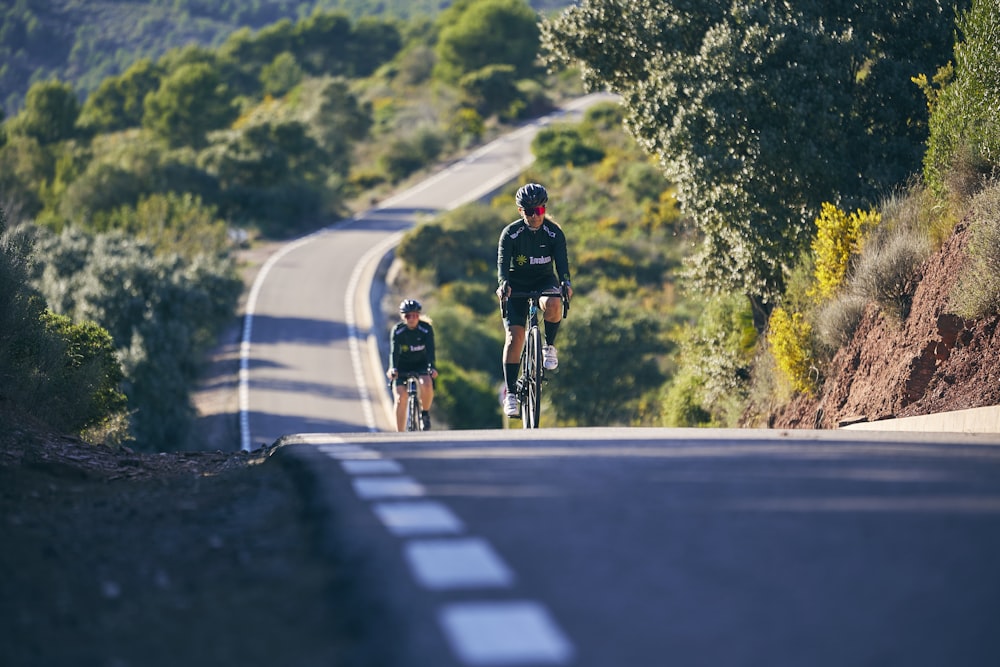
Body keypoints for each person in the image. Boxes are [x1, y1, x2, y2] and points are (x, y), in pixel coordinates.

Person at [496, 183, 573, 418]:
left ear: (544, 209)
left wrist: (566, 283)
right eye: (529, 212)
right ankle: (511, 393)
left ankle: (549, 347)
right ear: (521, 211)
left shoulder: (554, 233)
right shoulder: (510, 233)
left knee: (553, 303)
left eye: (538, 211)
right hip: (517, 285)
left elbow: (562, 265)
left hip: (543, 281)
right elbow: (502, 266)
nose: (534, 217)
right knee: (514, 337)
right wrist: (502, 285)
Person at [386, 299, 438, 430]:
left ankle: (424, 414)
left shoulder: (425, 329)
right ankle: (400, 433)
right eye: (408, 316)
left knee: (426, 384)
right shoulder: (398, 331)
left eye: (415, 315)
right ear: (403, 317)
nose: (412, 319)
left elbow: (431, 350)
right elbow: (393, 351)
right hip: (401, 366)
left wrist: (432, 367)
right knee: (400, 398)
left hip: (420, 363)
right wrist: (393, 369)